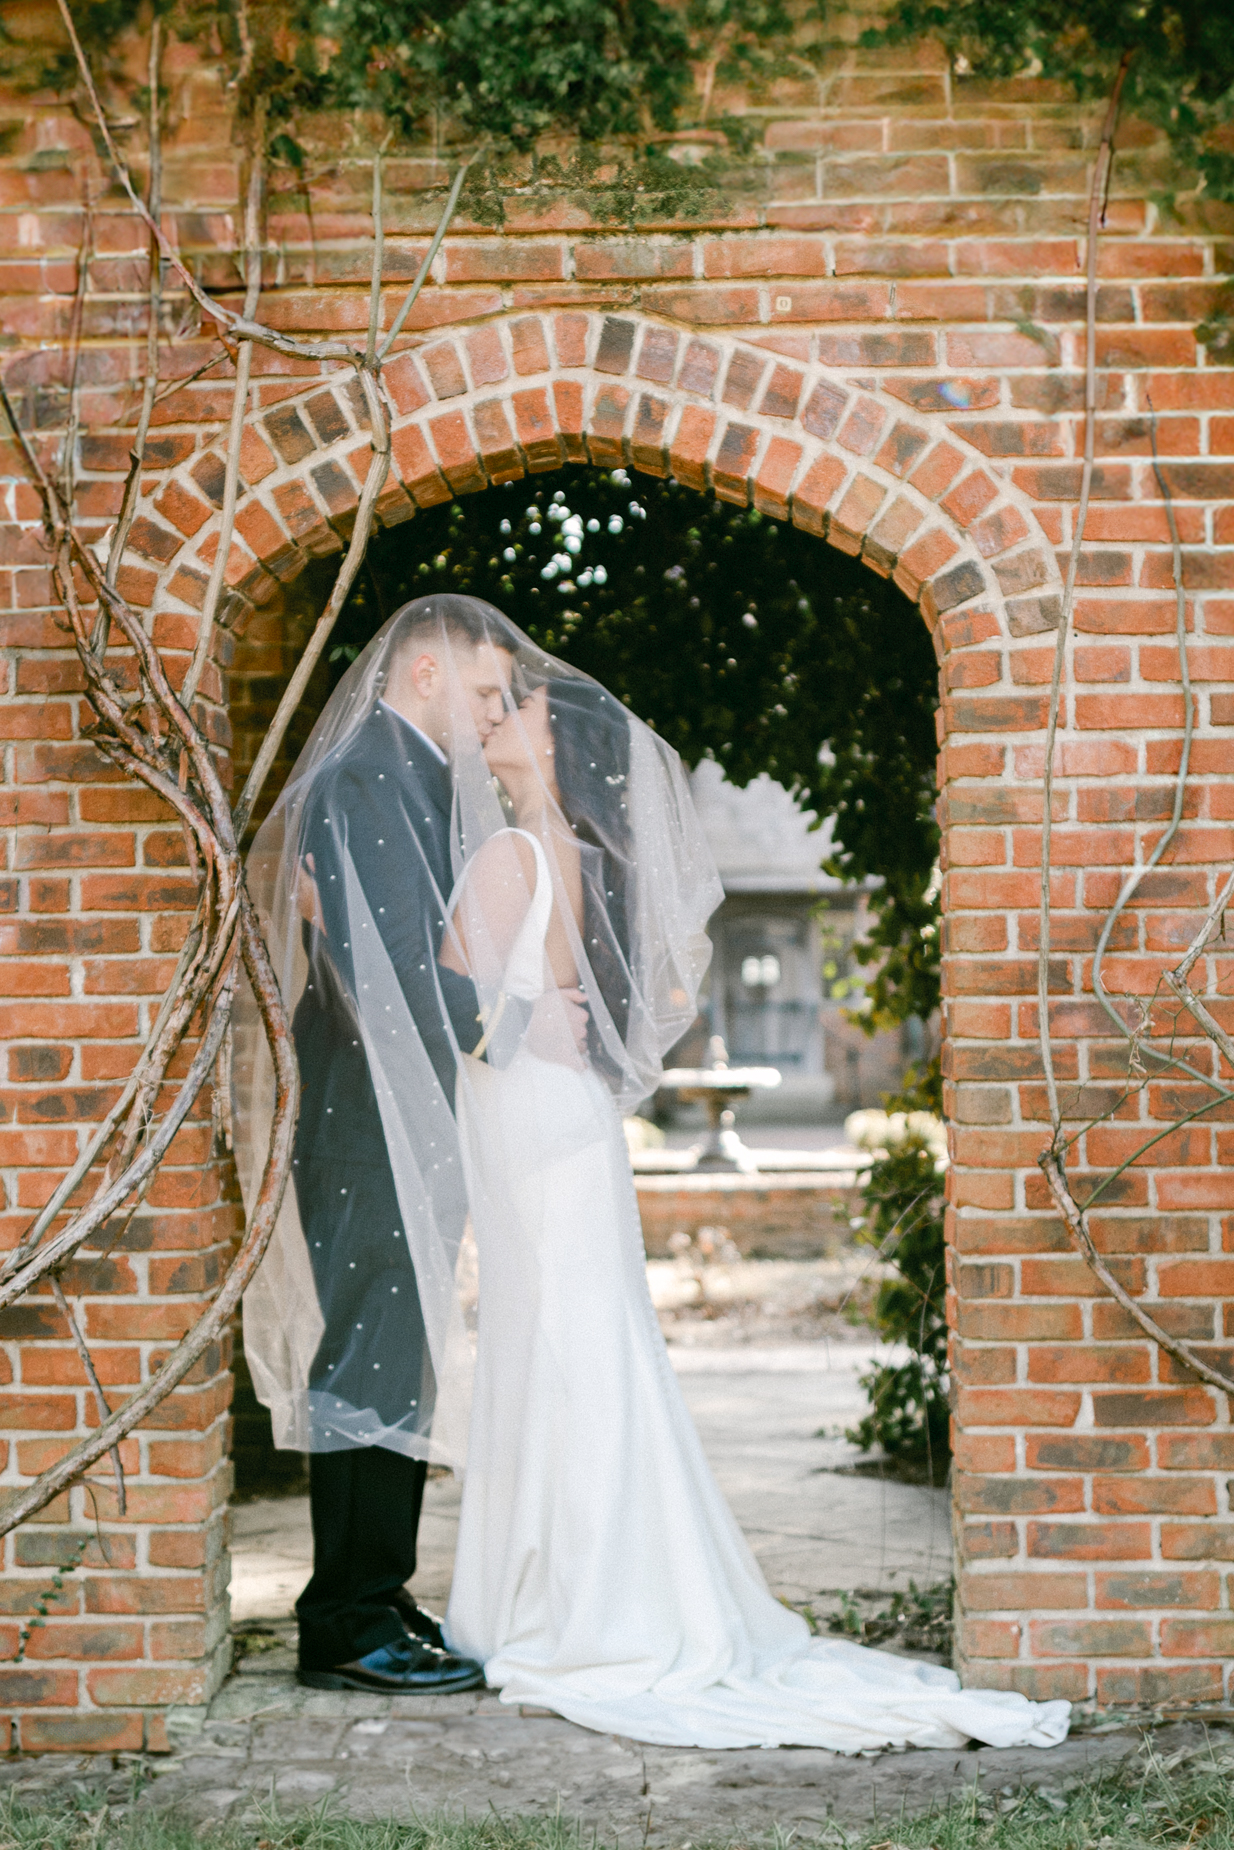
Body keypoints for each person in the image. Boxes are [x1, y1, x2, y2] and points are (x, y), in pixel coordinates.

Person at [431, 609, 1072, 1755]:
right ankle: (595, 1586)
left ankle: (565, 1602)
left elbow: (454, 1004)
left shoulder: (511, 852)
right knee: (580, 1342)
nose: (495, 717)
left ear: (553, 738)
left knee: (555, 1345)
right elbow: (547, 1002)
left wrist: (499, 1016)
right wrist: (538, 1025)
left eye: (513, 704)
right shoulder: (563, 849)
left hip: (532, 1112)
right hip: (560, 1120)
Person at [235, 595, 585, 1693]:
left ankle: (379, 1590)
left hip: (400, 1112)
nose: (494, 715)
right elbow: (388, 970)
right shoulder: (368, 778)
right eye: (484, 691)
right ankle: (343, 1619)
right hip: (364, 1114)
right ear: (425, 672)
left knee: (401, 1350)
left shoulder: (403, 777)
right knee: (371, 1355)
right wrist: (524, 1023)